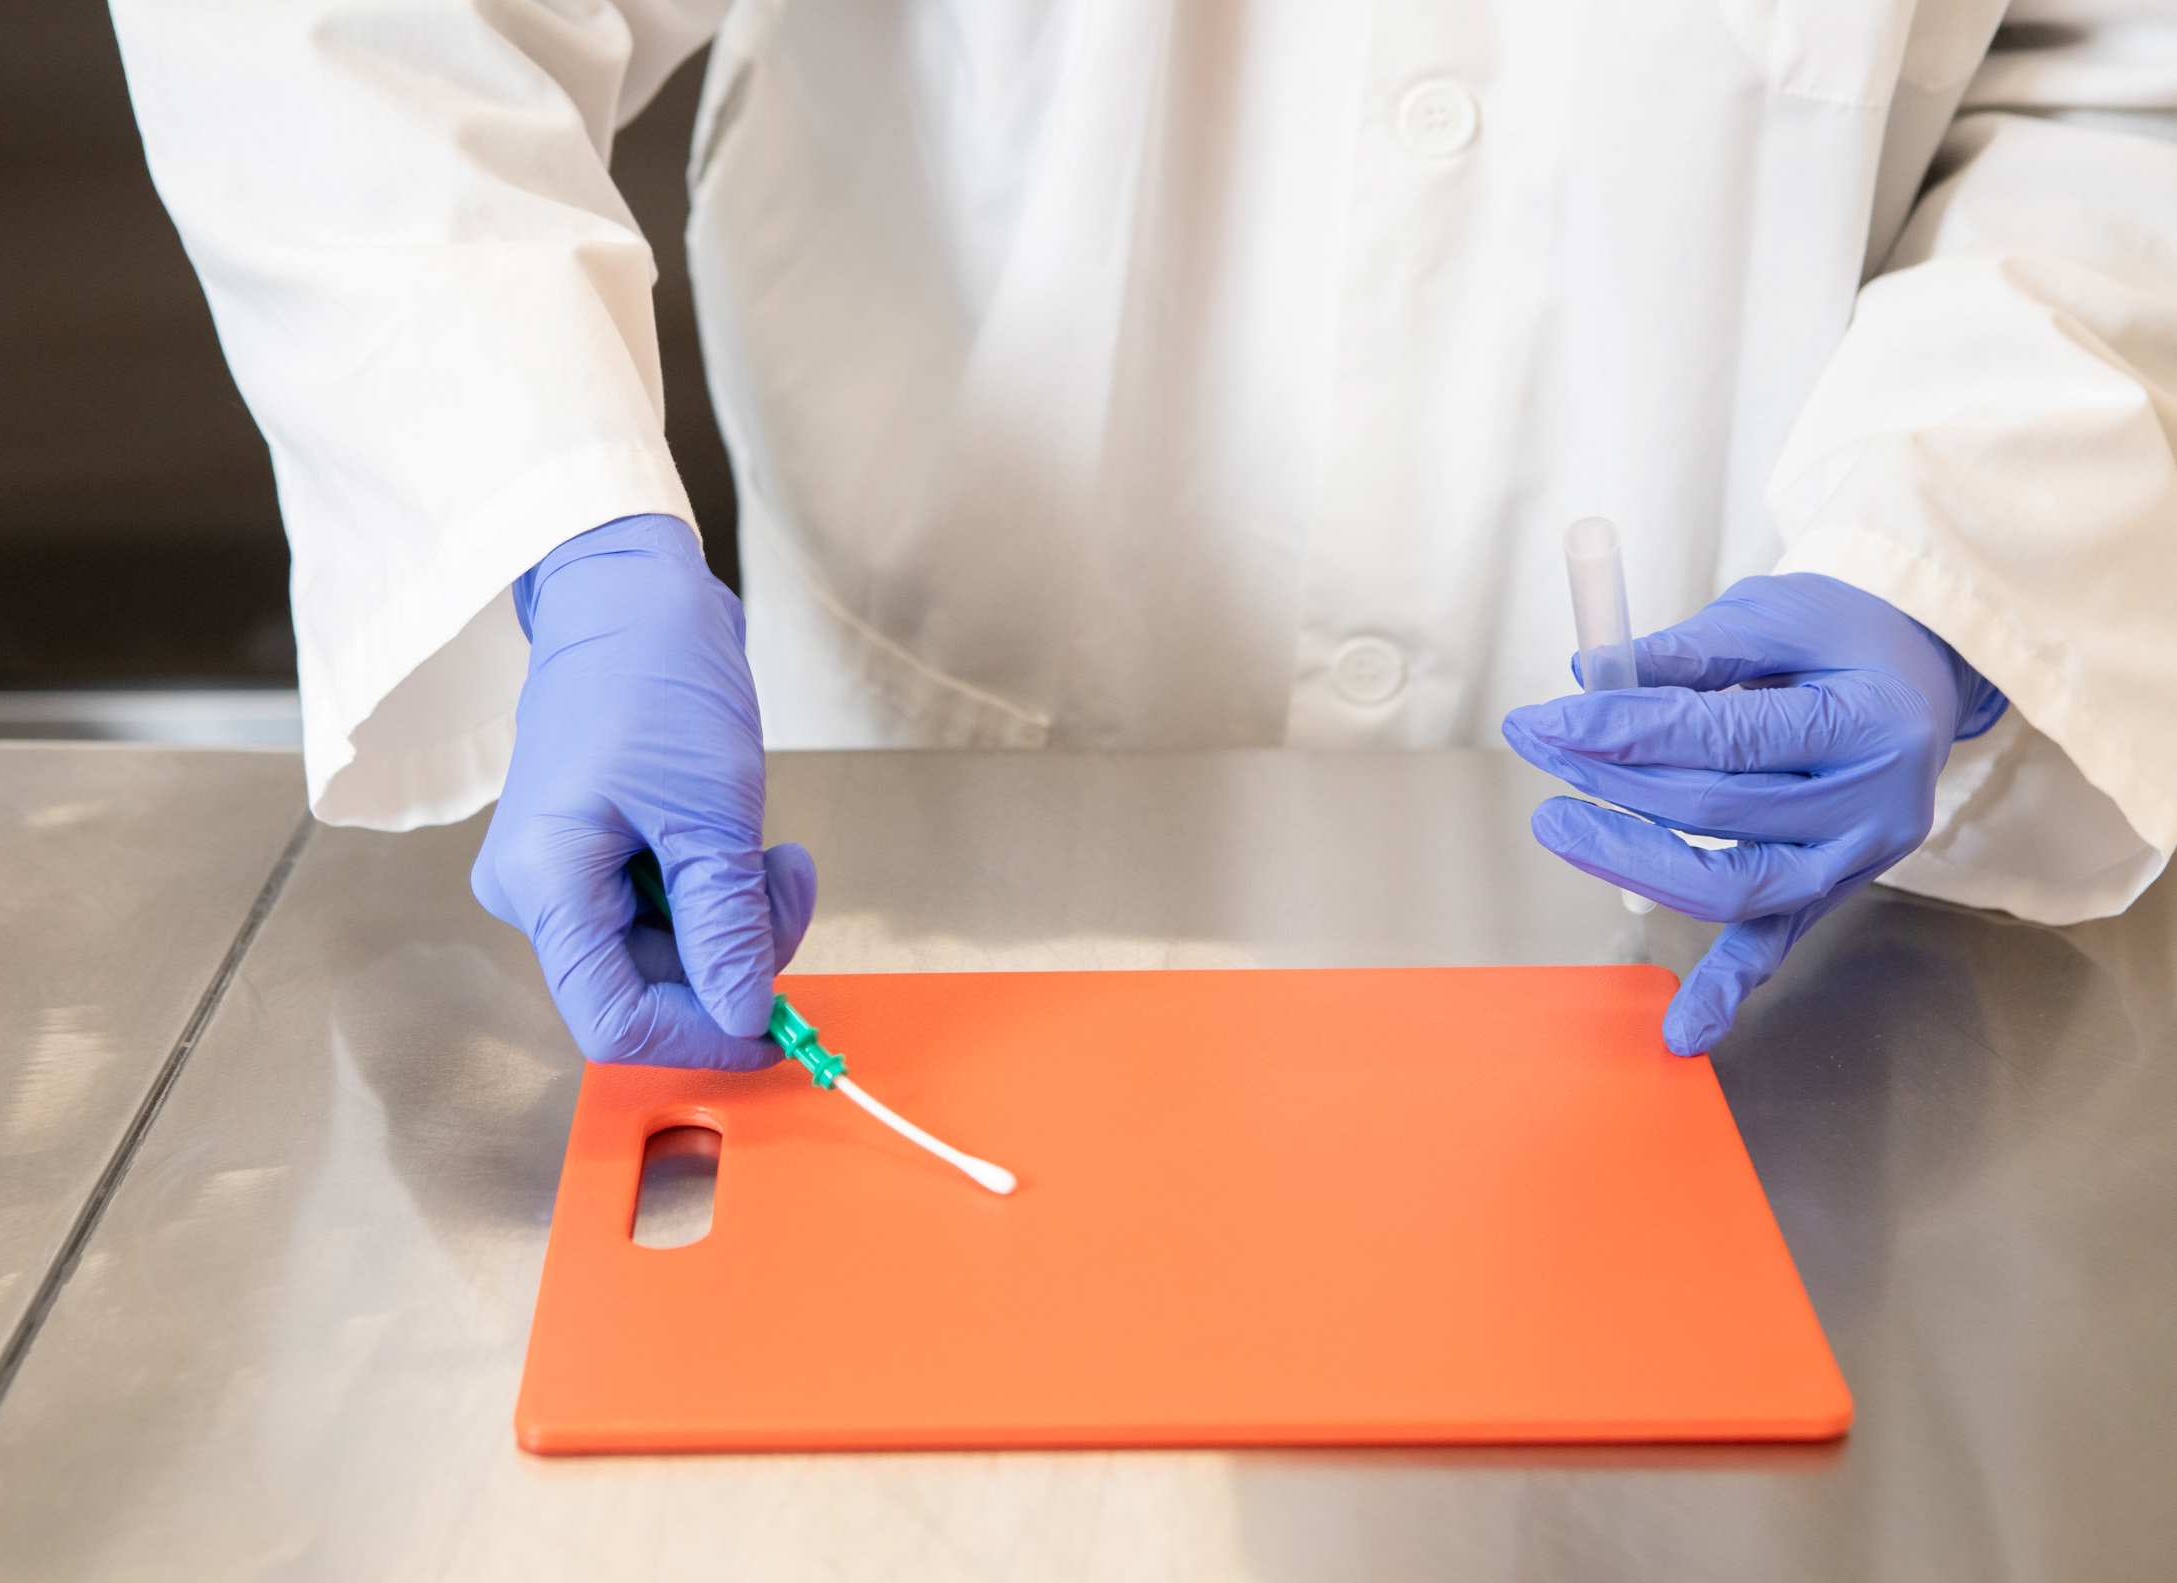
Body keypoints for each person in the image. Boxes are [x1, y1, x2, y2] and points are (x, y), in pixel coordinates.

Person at [109, 1, 2175, 1060]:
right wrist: (561, 535)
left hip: (1763, 910)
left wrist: (1943, 554)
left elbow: (2118, 86)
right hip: (939, 826)